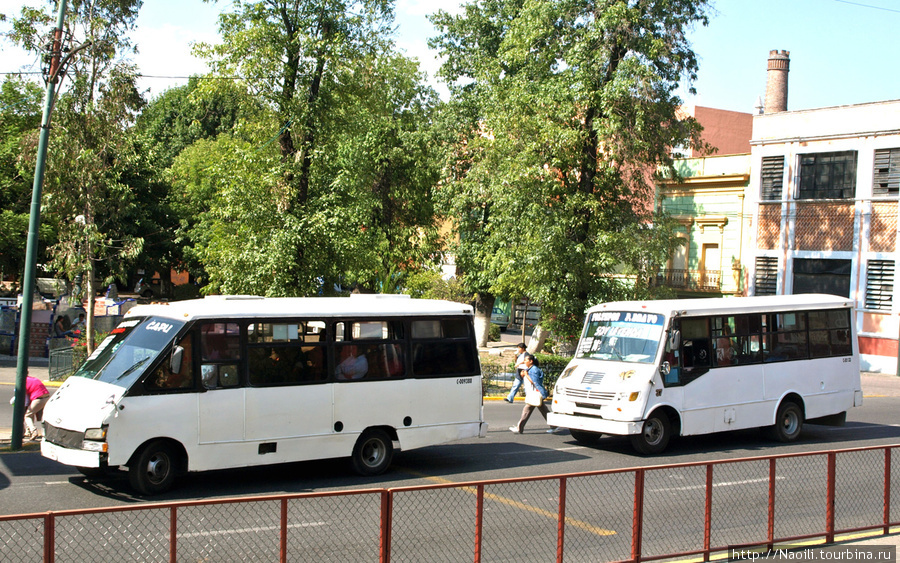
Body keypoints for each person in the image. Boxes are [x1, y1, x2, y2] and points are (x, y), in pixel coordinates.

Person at [509, 354, 563, 434]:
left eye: (526, 360)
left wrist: (526, 375)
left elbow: (535, 382)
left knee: (526, 410)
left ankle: (519, 428)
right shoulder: (530, 369)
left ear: (531, 361)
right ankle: (554, 426)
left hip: (535, 394)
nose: (524, 361)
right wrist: (524, 374)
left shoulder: (534, 370)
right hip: (534, 394)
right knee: (544, 411)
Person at [23, 375, 51, 440]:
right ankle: (28, 431)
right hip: (46, 397)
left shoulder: (24, 382)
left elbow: (25, 397)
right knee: (31, 413)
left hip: (38, 399)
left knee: (27, 415)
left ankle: (33, 431)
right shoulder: (33, 379)